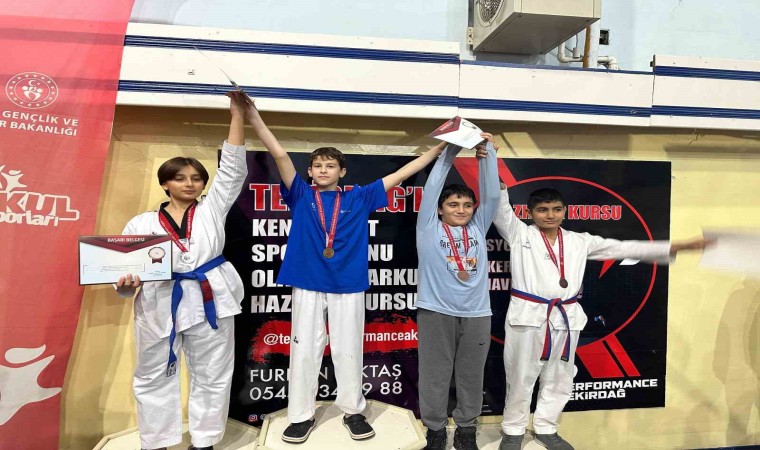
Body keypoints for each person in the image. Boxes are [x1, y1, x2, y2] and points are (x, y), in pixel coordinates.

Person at [243, 102, 447, 444]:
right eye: (317, 165)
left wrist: (439, 148)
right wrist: (252, 116)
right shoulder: (300, 194)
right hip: (307, 283)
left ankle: (353, 411)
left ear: (342, 172)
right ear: (310, 172)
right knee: (304, 350)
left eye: (330, 165)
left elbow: (403, 173)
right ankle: (300, 416)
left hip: (348, 284)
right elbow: (279, 154)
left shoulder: (360, 198)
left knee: (348, 348)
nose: (323, 170)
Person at [493, 185, 708, 450]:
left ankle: (547, 427)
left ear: (565, 211)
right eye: (543, 210)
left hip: (566, 317)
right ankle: (513, 430)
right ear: (530, 213)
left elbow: (622, 248)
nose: (550, 215)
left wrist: (678, 246)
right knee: (520, 375)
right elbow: (500, 210)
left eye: (556, 209)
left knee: (560, 376)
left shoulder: (579, 241)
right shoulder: (519, 234)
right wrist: (496, 181)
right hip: (528, 315)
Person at [114, 91, 252, 450]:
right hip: (159, 302)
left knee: (212, 373)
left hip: (211, 299)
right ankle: (156, 441)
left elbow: (233, 168)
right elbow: (126, 275)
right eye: (179, 178)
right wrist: (126, 285)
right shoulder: (141, 223)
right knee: (152, 373)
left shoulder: (211, 210)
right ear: (165, 183)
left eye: (196, 178)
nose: (189, 183)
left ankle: (204, 441)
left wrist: (237, 114)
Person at [416, 134, 500, 450]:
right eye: (453, 204)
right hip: (436, 310)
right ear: (439, 210)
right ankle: (435, 429)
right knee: (435, 374)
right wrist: (452, 147)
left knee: (471, 375)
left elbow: (491, 196)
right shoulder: (428, 227)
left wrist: (488, 155)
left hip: (477, 313)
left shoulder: (478, 227)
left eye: (466, 205)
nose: (461, 210)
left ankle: (466, 428)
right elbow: (432, 188)